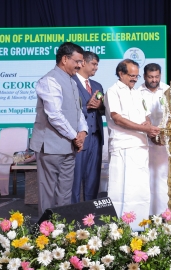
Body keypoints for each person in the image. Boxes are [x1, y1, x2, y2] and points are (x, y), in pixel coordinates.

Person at [30, 42, 88, 216]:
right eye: (77, 61)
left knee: (65, 193)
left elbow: (78, 112)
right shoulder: (49, 80)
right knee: (47, 193)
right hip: (50, 148)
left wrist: (83, 132)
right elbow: (54, 115)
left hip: (69, 147)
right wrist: (74, 136)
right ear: (64, 59)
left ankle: (62, 230)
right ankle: (45, 234)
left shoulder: (72, 81)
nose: (80, 65)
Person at [105, 59, 160, 230]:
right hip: (123, 146)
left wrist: (148, 127)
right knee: (121, 190)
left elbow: (146, 116)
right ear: (121, 73)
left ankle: (139, 226)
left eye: (137, 76)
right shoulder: (113, 91)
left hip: (140, 147)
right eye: (131, 75)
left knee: (140, 190)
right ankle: (118, 229)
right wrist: (144, 129)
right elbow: (118, 118)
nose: (135, 79)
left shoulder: (137, 93)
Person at [71, 51, 105, 203]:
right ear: (83, 62)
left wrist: (100, 106)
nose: (96, 68)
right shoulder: (70, 82)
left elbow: (104, 111)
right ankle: (74, 212)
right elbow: (67, 109)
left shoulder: (97, 86)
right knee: (75, 178)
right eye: (94, 64)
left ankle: (91, 213)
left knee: (93, 178)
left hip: (96, 138)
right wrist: (86, 106)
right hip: (79, 137)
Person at [138, 63, 170, 215]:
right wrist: (148, 130)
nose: (154, 80)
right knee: (147, 177)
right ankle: (149, 213)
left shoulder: (168, 91)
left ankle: (166, 213)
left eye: (157, 76)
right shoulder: (137, 92)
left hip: (164, 143)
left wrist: (163, 133)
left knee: (165, 177)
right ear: (144, 76)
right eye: (150, 77)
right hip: (145, 141)